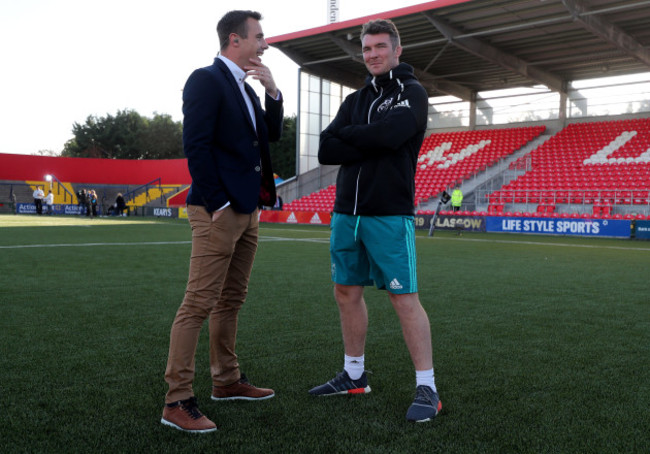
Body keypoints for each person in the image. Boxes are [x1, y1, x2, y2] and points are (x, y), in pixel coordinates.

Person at [311, 19, 442, 423]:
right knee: (346, 293)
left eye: (380, 47)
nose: (372, 55)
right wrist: (365, 135)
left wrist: (352, 137)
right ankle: (354, 375)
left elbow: (389, 138)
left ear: (397, 50)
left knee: (403, 298)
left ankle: (428, 387)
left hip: (388, 212)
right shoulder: (354, 99)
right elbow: (325, 149)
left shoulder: (413, 93)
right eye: (367, 49)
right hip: (345, 214)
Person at [161, 9, 283, 434]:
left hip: (248, 211)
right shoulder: (205, 79)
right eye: (259, 37)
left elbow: (271, 136)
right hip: (219, 209)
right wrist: (217, 202)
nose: (265, 44)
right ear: (235, 40)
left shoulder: (248, 91)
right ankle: (176, 400)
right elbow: (194, 144)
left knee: (232, 300)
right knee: (198, 303)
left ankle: (226, 381)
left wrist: (272, 91)